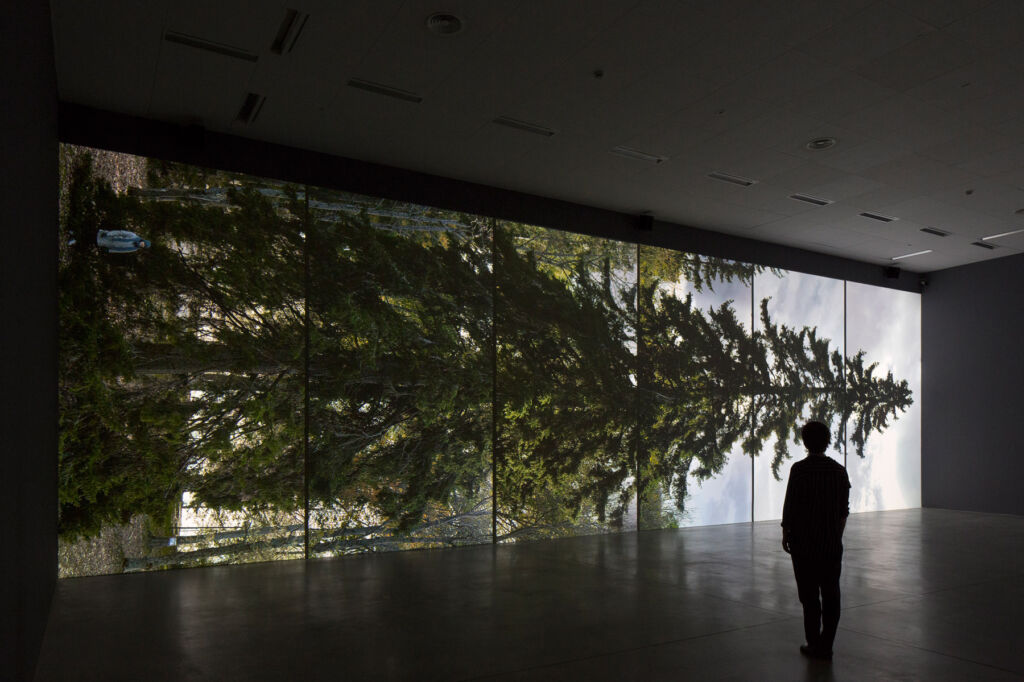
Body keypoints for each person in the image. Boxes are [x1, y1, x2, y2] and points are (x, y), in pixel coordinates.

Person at [781, 420, 850, 661]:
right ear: (828, 440)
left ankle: (814, 644)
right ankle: (827, 645)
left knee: (809, 598)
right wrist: (835, 537)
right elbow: (843, 512)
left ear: (805, 442)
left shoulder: (799, 470)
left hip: (804, 546)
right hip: (830, 545)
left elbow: (790, 506)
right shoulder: (839, 471)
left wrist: (786, 532)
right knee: (832, 595)